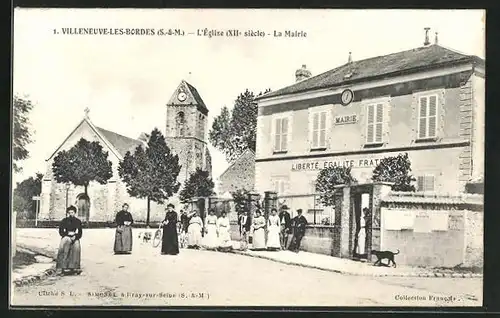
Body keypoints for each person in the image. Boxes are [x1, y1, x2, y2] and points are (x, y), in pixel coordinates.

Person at [56, 205, 83, 275]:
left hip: (74, 237)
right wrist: (67, 234)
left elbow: (80, 233)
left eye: (72, 212)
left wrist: (75, 236)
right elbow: (61, 232)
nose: (71, 214)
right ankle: (62, 267)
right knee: (63, 244)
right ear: (68, 213)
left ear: (75, 213)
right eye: (69, 212)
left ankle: (75, 267)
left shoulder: (78, 221)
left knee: (77, 246)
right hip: (66, 236)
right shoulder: (64, 221)